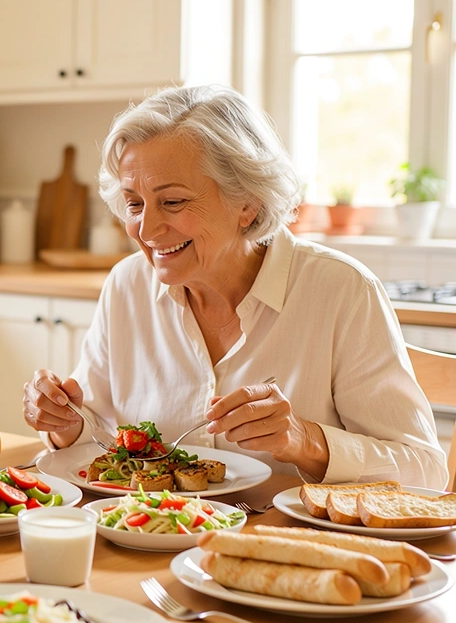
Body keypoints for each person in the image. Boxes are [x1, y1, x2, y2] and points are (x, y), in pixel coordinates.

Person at [22, 85, 447, 488]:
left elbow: (425, 471)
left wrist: (304, 440)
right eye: (135, 203)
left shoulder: (342, 291)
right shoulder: (127, 285)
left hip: (283, 536)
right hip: (150, 533)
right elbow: (94, 431)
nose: (146, 231)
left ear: (248, 203)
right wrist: (64, 422)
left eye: (173, 202)